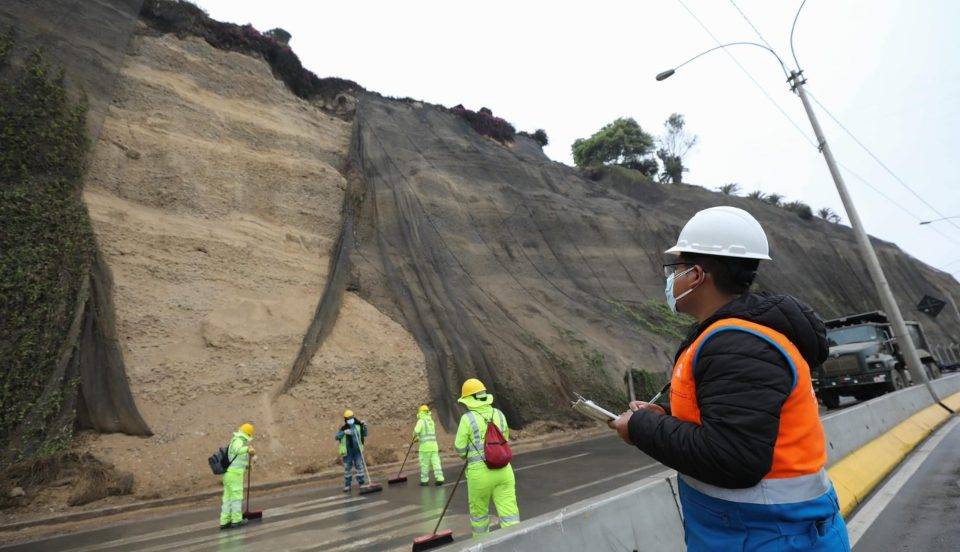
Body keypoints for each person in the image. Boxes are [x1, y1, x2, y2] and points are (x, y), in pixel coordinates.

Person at [609, 206, 850, 551]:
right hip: (754, 530)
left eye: (675, 269)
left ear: (695, 275)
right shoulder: (730, 336)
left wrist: (639, 427)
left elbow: (734, 457)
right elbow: (732, 418)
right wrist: (666, 416)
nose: (670, 279)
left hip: (770, 536)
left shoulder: (738, 344)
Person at [454, 378, 519, 538]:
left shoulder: (467, 419)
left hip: (479, 475)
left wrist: (467, 454)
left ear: (468, 399)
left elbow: (460, 448)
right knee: (509, 514)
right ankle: (514, 544)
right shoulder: (499, 414)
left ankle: (482, 545)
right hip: (504, 471)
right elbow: (504, 439)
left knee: (480, 516)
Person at [220, 423, 255, 529]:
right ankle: (236, 520)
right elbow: (237, 451)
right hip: (235, 475)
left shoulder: (236, 441)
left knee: (227, 498)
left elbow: (237, 460)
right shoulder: (238, 441)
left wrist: (248, 466)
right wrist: (247, 450)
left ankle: (225, 521)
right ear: (247, 435)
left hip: (229, 474)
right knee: (236, 497)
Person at [335, 409, 368, 492]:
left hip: (357, 451)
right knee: (347, 469)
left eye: (351, 418)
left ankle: (361, 483)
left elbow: (365, 434)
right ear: (345, 419)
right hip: (347, 452)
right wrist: (344, 433)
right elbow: (336, 437)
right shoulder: (343, 428)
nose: (350, 420)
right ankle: (347, 485)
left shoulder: (358, 426)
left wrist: (365, 427)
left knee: (359, 467)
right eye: (348, 418)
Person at [413, 404, 445, 486]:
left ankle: (424, 480)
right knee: (436, 463)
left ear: (420, 412)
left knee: (424, 464)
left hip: (425, 448)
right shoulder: (431, 421)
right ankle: (440, 478)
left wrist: (414, 437)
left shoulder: (421, 421)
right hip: (434, 447)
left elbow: (416, 431)